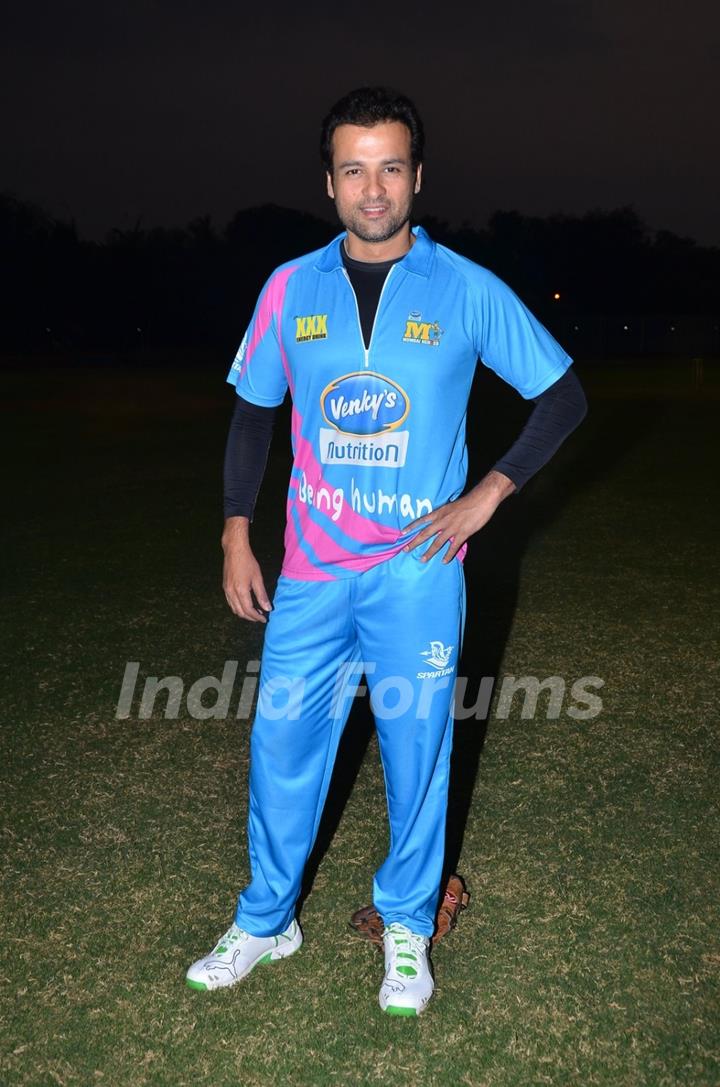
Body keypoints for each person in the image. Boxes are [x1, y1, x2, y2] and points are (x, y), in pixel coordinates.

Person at [185, 86, 586, 1015]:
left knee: (418, 749)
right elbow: (255, 409)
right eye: (355, 168)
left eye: (392, 167)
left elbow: (562, 394)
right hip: (314, 572)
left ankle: (406, 924)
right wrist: (236, 527)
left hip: (417, 574)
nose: (375, 188)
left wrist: (489, 494)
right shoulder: (290, 286)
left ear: (417, 177)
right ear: (329, 181)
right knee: (282, 743)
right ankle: (266, 919)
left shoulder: (466, 289)